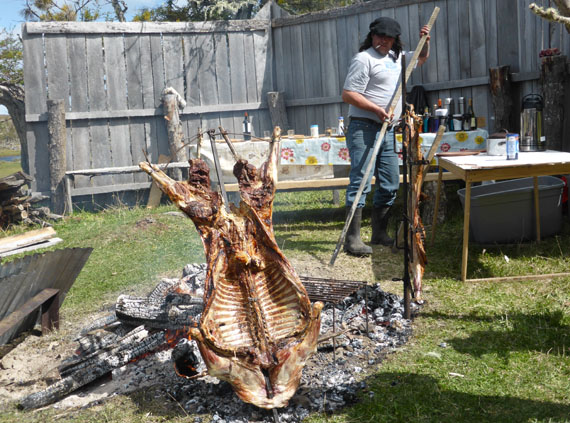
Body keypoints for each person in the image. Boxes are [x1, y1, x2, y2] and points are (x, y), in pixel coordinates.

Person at [341, 17, 431, 256]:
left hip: (389, 130)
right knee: (361, 181)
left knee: (390, 182)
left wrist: (425, 41)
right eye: (380, 36)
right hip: (364, 127)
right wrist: (377, 110)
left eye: (388, 38)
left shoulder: (396, 58)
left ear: (395, 40)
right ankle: (352, 240)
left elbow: (421, 58)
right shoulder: (364, 59)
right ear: (372, 36)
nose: (383, 41)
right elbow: (349, 94)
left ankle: (379, 233)